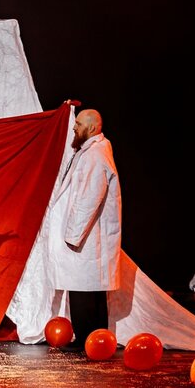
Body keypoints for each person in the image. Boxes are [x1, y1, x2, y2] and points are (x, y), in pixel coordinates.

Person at [47, 109, 121, 351]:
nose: (74, 127)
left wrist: (73, 235)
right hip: (87, 237)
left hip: (85, 237)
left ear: (92, 128)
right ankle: (95, 340)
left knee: (84, 290)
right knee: (89, 289)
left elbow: (90, 197)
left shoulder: (95, 155)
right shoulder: (90, 151)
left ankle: (85, 341)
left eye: (78, 124)